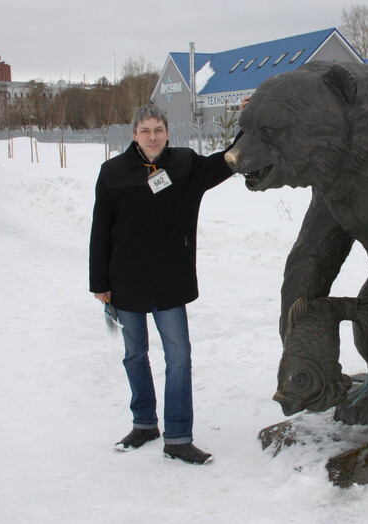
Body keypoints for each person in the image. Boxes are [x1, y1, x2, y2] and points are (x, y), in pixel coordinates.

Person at [89, 103, 236, 465]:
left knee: (179, 356)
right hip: (126, 281)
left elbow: (228, 160)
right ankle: (144, 424)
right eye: (145, 131)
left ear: (167, 132)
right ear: (134, 134)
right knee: (135, 354)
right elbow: (100, 230)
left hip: (170, 280)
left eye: (158, 129)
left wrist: (247, 121)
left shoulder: (185, 164)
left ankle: (179, 437)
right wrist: (99, 282)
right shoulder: (112, 172)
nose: (152, 137)